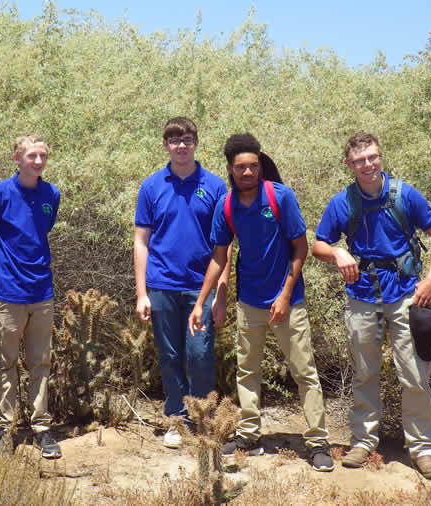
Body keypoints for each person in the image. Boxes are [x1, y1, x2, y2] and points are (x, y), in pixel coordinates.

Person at [189, 134, 333, 472]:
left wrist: (285, 295)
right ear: (230, 169)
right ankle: (250, 435)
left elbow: (300, 249)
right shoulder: (226, 205)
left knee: (304, 372)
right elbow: (218, 257)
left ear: (260, 165)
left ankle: (317, 442)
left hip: (288, 301)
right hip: (249, 302)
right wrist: (203, 301)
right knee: (247, 370)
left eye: (253, 165)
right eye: (241, 167)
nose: (248, 172)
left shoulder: (279, 197)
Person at [312, 132, 431, 480]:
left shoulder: (405, 194)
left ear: (380, 156)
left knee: (415, 375)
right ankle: (363, 442)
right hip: (362, 294)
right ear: (349, 165)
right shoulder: (342, 202)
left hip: (406, 293)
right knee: (364, 372)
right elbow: (318, 244)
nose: (368, 165)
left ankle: (422, 450)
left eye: (372, 157)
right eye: (359, 161)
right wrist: (338, 251)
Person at [134, 117, 230, 449]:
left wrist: (221, 294)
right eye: (174, 139)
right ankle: (176, 419)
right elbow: (141, 241)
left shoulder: (215, 186)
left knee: (200, 354)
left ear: (197, 143)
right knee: (170, 355)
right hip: (161, 284)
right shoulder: (151, 186)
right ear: (165, 145)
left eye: (187, 139)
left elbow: (224, 246)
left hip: (200, 288)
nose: (181, 145)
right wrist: (141, 293)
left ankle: (202, 420)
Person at [0, 134, 62, 459]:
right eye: (31, 156)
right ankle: (5, 427)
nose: (38, 162)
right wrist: (3, 268)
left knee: (41, 361)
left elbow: (42, 233)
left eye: (42, 155)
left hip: (41, 291)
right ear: (17, 158)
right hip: (9, 293)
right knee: (7, 362)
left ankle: (41, 427)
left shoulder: (51, 194)